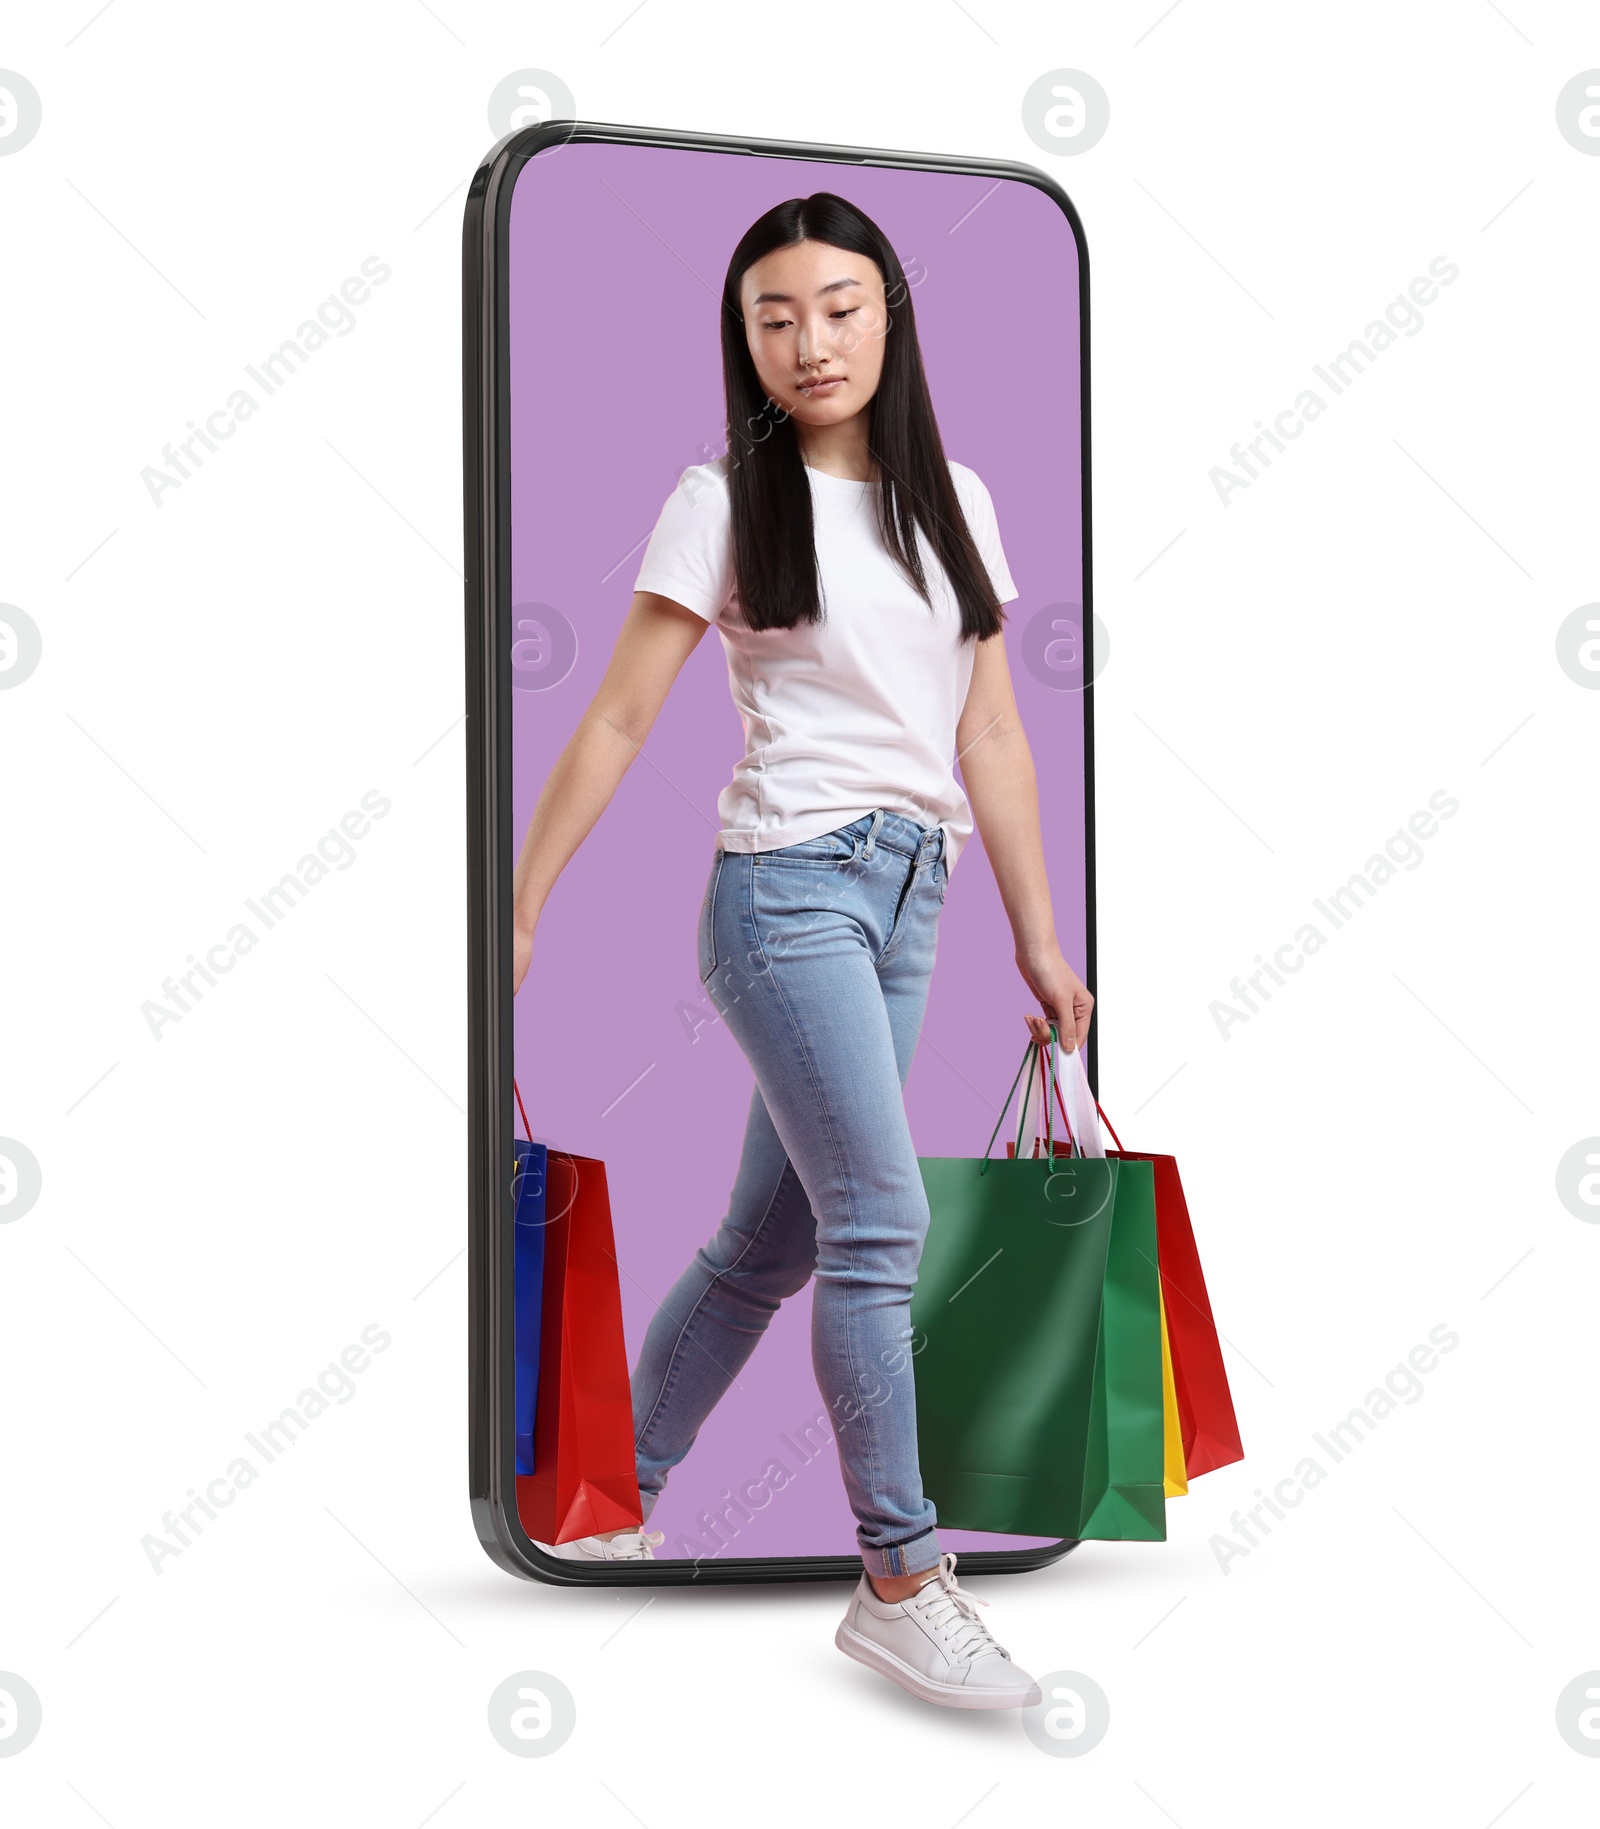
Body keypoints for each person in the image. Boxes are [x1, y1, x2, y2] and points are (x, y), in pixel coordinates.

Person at [510, 192, 1092, 1710]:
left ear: (890, 314)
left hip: (916, 894)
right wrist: (519, 906)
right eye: (774, 318)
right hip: (785, 893)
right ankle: (900, 1578)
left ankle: (600, 1496)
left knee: (774, 1242)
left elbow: (994, 735)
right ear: (745, 341)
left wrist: (1040, 933)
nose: (810, 341)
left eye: (837, 307)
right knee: (878, 1220)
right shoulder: (721, 498)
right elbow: (624, 713)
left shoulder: (957, 494)